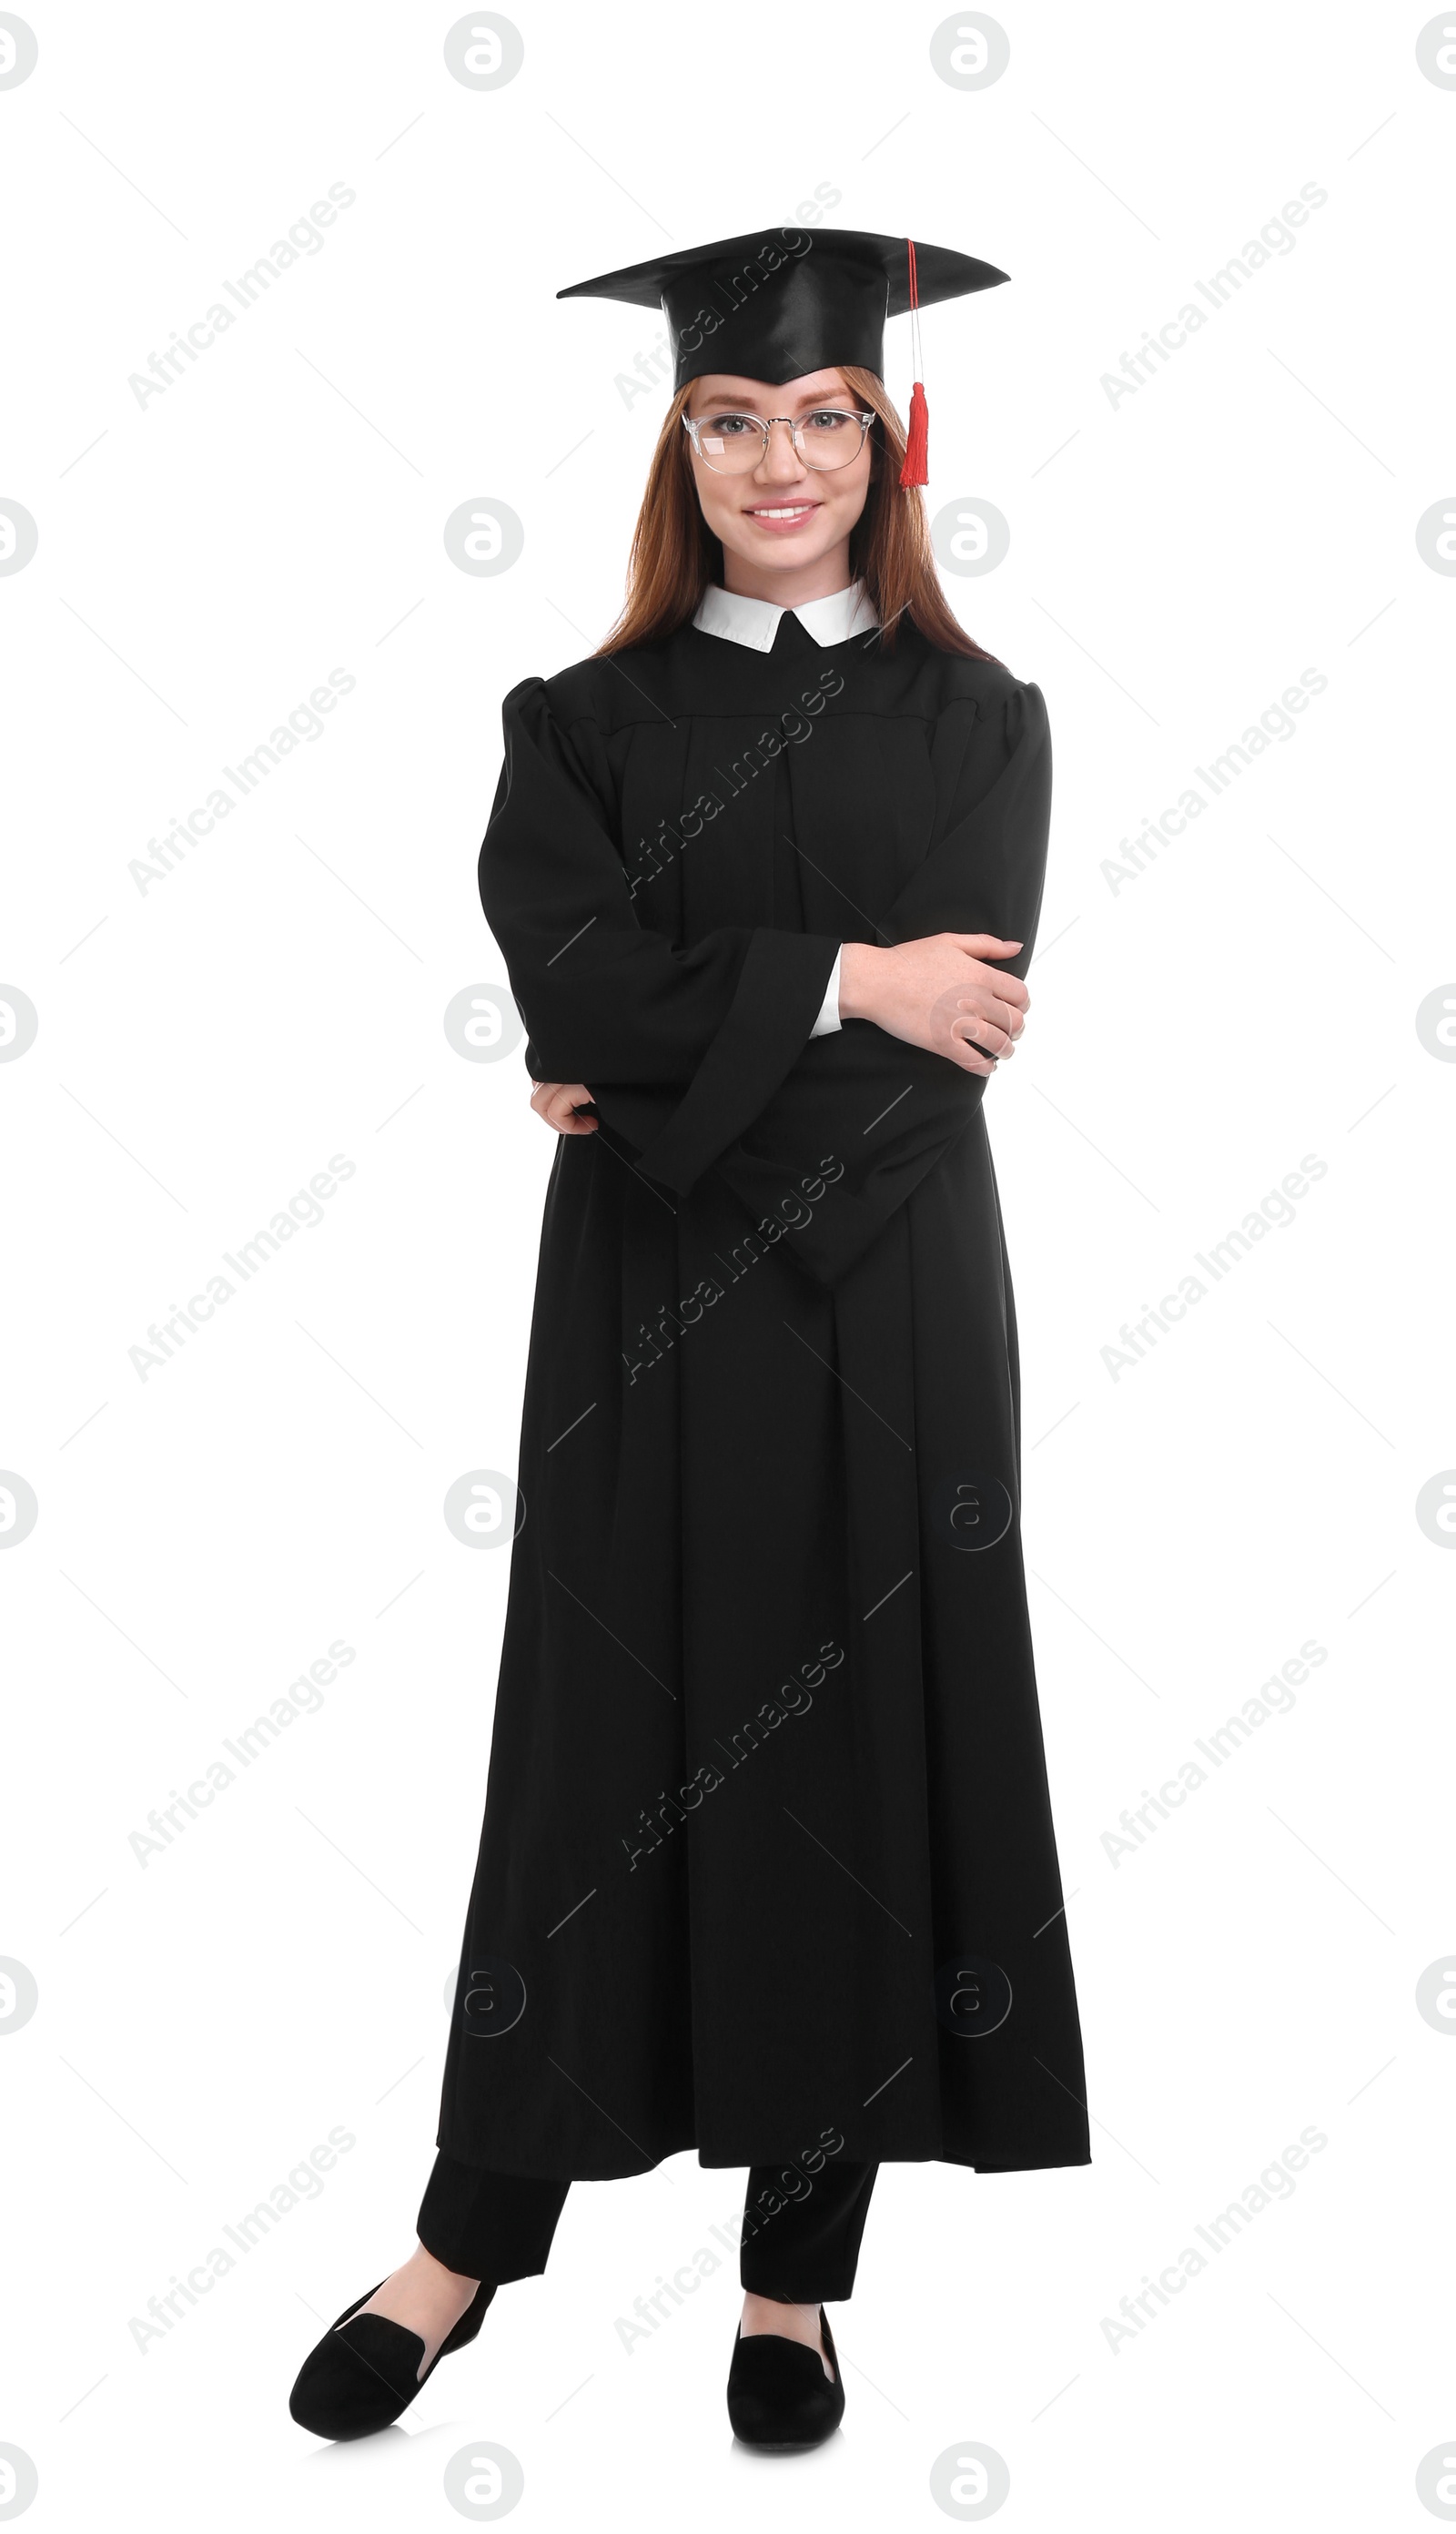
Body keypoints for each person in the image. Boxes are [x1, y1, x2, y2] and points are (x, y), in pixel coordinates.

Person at [289, 226, 1090, 2454]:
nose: (776, 460)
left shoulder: (976, 720)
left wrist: (652, 1076)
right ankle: (464, 2246)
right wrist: (835, 981)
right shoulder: (586, 723)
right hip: (640, 1320)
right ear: (679, 442)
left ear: (887, 439)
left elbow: (966, 1037)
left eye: (819, 418)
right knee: (592, 1759)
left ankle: (791, 2284)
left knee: (849, 1763)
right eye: (730, 420)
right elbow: (571, 984)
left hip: (895, 1301)